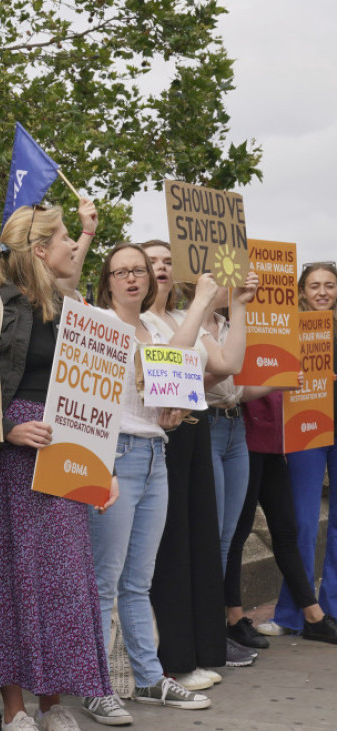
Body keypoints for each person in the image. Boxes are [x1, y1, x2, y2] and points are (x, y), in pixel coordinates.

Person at [0, 205, 112, 731]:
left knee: (66, 582)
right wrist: (6, 428)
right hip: (17, 460)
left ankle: (53, 709)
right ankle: (14, 714)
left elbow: (91, 393)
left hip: (67, 453)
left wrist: (102, 465)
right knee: (19, 579)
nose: (75, 246)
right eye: (67, 238)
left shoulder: (73, 308)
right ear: (40, 249)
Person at [83, 242, 208, 725]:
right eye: (122, 272)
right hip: (115, 453)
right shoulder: (99, 321)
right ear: (108, 280)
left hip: (156, 452)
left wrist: (174, 406)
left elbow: (177, 372)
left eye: (140, 270)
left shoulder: (157, 326)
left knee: (139, 579)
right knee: (104, 579)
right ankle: (93, 684)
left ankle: (148, 677)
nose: (133, 278)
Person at [142, 240, 259, 680]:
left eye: (167, 261)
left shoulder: (178, 315)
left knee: (199, 542)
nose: (160, 268)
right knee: (165, 551)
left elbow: (227, 362)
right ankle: (165, 658)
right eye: (150, 261)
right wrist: (203, 305)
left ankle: (194, 646)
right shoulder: (146, 320)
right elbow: (166, 368)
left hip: (194, 431)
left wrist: (240, 306)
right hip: (159, 440)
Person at [225, 385, 337, 646]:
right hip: (251, 433)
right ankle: (235, 618)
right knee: (238, 533)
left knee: (287, 531)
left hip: (274, 438)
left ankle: (313, 616)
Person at [265, 262, 337, 640]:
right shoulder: (287, 331)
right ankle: (294, 612)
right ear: (301, 291)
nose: (322, 292)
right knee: (303, 523)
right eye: (314, 285)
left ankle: (332, 610)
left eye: (329, 285)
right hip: (306, 430)